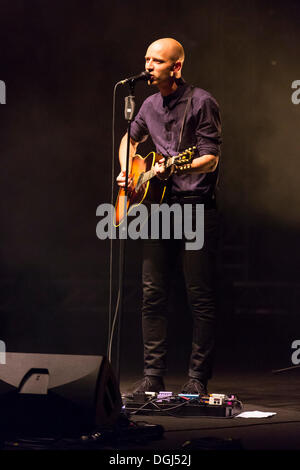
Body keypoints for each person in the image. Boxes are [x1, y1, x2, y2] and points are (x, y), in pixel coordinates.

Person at [117, 38, 222, 395]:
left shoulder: (202, 101)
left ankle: (197, 378)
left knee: (199, 295)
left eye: (157, 61)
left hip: (194, 205)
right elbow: (129, 140)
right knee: (152, 293)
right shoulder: (146, 104)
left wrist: (176, 166)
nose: (148, 66)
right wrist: (127, 173)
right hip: (159, 206)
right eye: (146, 59)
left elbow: (210, 158)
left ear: (176, 67)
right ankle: (152, 377)